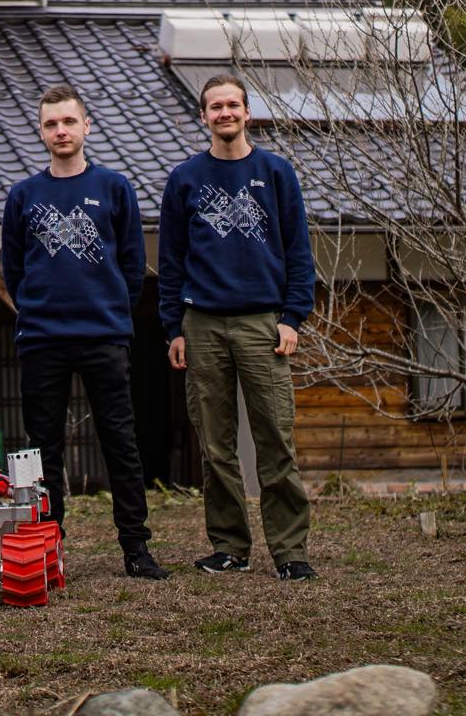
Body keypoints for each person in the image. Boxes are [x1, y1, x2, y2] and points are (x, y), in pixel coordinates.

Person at [1, 85, 169, 580]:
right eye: (51, 124)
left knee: (120, 442)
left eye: (68, 122)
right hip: (42, 339)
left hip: (103, 334)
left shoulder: (115, 187)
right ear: (41, 131)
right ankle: (49, 546)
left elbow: (134, 266)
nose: (60, 131)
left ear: (86, 126)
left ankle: (136, 548)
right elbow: (13, 270)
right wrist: (34, 309)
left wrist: (112, 308)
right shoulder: (24, 195)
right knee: (42, 447)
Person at [159, 74, 318, 581]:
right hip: (202, 323)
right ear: (203, 116)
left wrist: (293, 316)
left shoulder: (276, 173)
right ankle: (230, 546)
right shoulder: (185, 178)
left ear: (247, 113)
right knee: (214, 444)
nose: (224, 113)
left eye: (232, 105)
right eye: (215, 107)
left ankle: (290, 552)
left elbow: (298, 251)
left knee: (275, 438)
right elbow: (171, 259)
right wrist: (173, 328)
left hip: (262, 323)